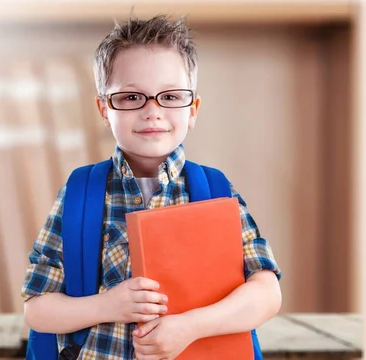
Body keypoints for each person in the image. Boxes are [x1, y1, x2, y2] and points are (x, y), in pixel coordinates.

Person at [21, 14, 282, 360]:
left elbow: (266, 293)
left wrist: (190, 326)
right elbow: (37, 308)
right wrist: (109, 306)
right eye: (131, 98)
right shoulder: (80, 193)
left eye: (171, 96)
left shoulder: (216, 189)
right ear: (104, 109)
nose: (152, 111)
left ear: (193, 109)